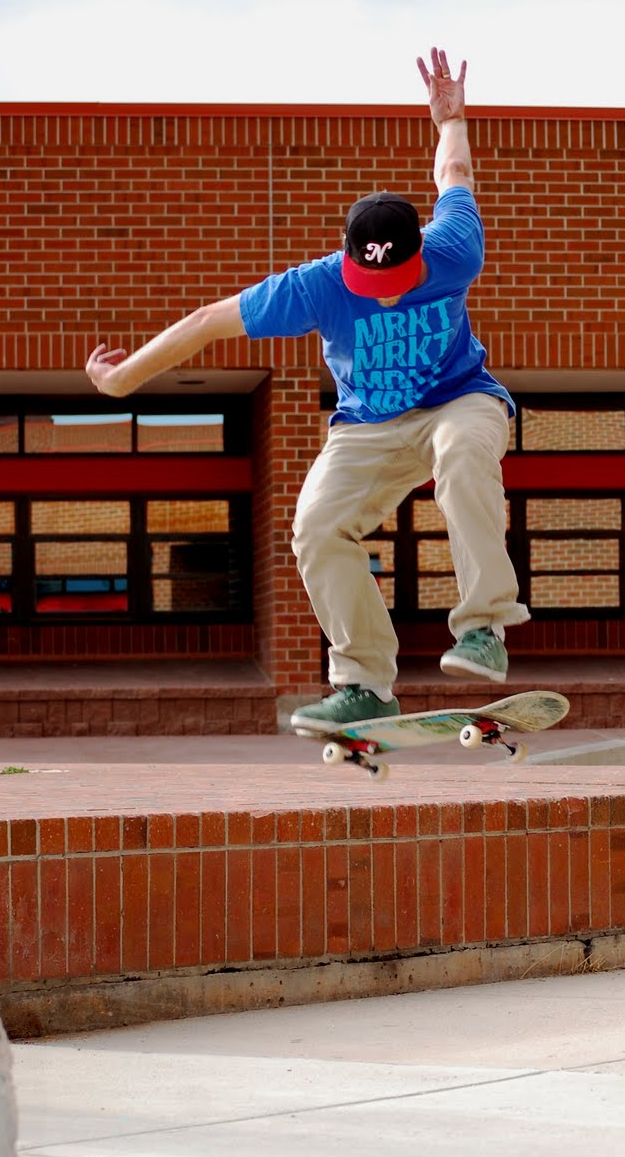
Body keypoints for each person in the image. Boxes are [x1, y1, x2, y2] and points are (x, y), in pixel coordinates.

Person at [86, 47, 529, 730]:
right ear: (348, 261)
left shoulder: (454, 246)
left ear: (422, 254)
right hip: (367, 426)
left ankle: (485, 628)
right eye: (369, 288)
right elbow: (208, 323)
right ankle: (365, 684)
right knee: (316, 528)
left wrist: (451, 118)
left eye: (396, 286)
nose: (381, 301)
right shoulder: (316, 284)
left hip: (459, 398)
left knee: (464, 455)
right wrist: (120, 381)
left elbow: (455, 173)